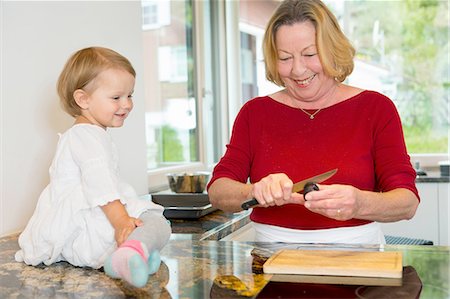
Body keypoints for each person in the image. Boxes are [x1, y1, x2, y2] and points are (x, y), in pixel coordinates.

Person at [207, 0, 419, 244]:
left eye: (310, 54)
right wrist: (254, 190)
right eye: (285, 58)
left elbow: (407, 202)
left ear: (332, 50)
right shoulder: (254, 113)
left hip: (358, 254)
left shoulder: (376, 108)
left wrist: (360, 203)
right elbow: (218, 191)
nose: (298, 70)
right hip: (269, 257)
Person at [15, 47, 171, 288]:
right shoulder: (86, 135)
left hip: (88, 221)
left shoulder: (88, 134)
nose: (127, 104)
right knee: (156, 221)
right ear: (83, 99)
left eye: (130, 95)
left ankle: (133, 255)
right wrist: (121, 221)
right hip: (88, 226)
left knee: (146, 218)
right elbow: (100, 183)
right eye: (117, 97)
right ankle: (130, 254)